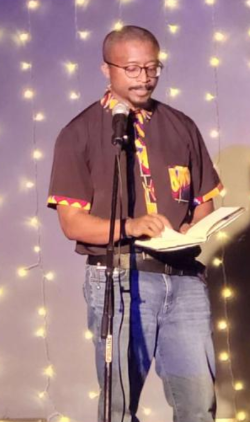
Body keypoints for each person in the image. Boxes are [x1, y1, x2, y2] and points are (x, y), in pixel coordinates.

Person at [47, 25, 222, 422]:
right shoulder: (80, 133)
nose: (145, 77)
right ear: (106, 69)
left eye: (152, 67)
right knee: (119, 404)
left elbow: (203, 201)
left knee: (198, 403)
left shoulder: (181, 125)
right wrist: (132, 225)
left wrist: (192, 232)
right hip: (121, 279)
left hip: (184, 279)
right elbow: (73, 224)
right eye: (133, 69)